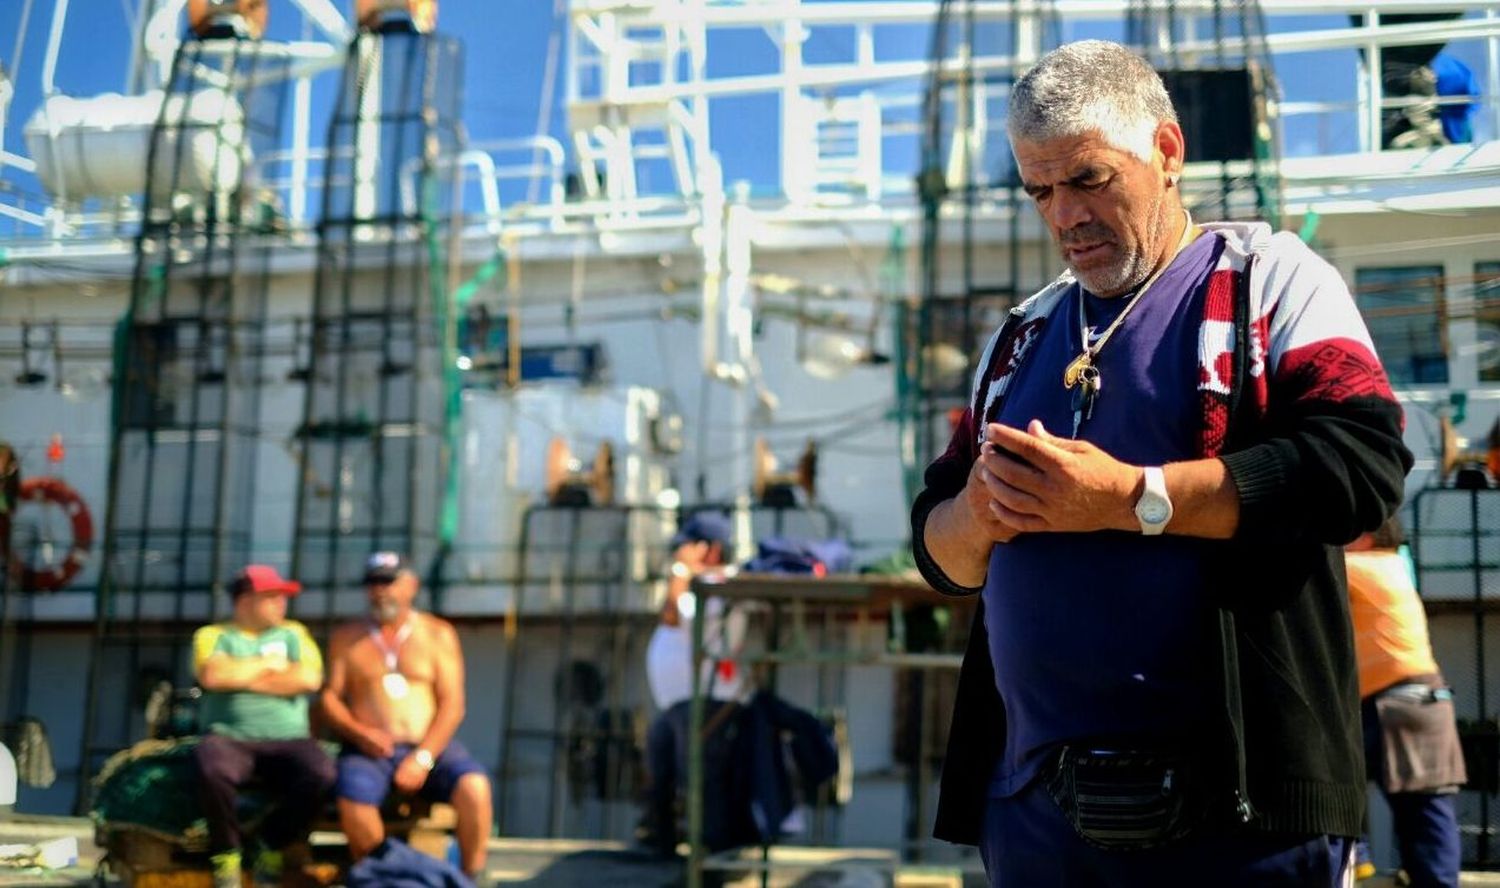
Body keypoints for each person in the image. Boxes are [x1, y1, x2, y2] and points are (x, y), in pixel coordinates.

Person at [910, 40, 1412, 885]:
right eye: (1041, 191)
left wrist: (1129, 499)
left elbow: (1358, 467)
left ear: (1167, 152)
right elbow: (937, 543)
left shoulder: (1271, 280)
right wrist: (979, 516)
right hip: (1035, 818)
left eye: (1089, 180)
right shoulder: (1020, 334)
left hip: (1242, 823)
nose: (1064, 215)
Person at [319, 552, 492, 881]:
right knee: (353, 797)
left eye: (388, 581)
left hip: (429, 747)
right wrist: (358, 733)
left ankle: (471, 876)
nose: (379, 591)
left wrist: (424, 756)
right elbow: (330, 697)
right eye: (372, 583)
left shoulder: (437, 634)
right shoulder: (348, 637)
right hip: (371, 749)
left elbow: (453, 703)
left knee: (475, 787)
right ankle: (383, 877)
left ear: (411, 585)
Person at [191, 565, 336, 888]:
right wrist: (270, 665)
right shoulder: (214, 636)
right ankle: (227, 853)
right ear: (244, 601)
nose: (281, 604)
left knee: (322, 774)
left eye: (282, 598)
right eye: (272, 597)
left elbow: (310, 678)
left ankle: (271, 842)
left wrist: (242, 678)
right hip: (230, 736)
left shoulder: (294, 633)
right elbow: (213, 677)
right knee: (212, 768)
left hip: (289, 739)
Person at [1346, 516, 1465, 887]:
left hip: (1396, 701)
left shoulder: (1364, 566)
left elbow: (1311, 568)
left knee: (1332, 768)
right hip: (1415, 702)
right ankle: (1363, 852)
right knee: (1423, 808)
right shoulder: (1395, 566)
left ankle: (1358, 850)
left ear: (1366, 537)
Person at [639, 511, 748, 854]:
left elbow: (672, 614)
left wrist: (681, 571)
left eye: (688, 546)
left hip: (706, 698)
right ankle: (663, 845)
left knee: (701, 780)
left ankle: (711, 856)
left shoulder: (723, 583)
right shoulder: (701, 583)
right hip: (678, 701)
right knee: (662, 775)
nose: (679, 553)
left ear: (711, 549)